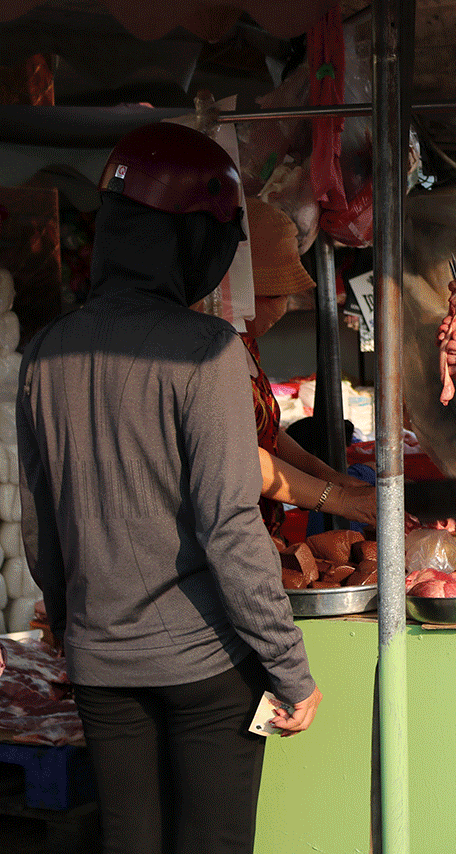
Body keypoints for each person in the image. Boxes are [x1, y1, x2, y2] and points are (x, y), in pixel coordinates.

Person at [17, 122, 320, 854]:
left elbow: (39, 529)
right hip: (206, 667)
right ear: (193, 242)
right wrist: (289, 667)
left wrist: (76, 626)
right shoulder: (206, 353)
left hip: (101, 667)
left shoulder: (46, 352)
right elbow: (229, 525)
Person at [242, 196, 376, 532]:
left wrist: (325, 473)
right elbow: (242, 457)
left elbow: (268, 434)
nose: (281, 307)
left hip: (262, 528)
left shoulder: (246, 346)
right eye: (272, 296)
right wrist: (336, 499)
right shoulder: (210, 356)